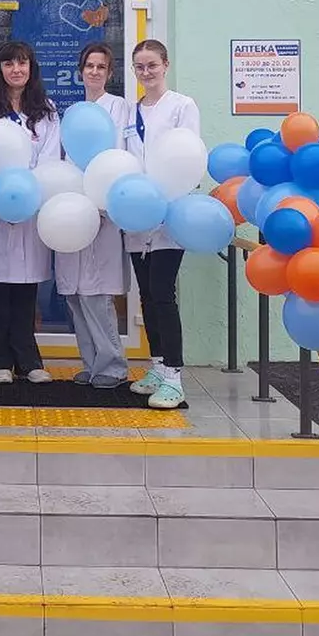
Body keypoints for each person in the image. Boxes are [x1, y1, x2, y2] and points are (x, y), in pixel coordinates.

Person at [0, 41, 60, 384]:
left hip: (31, 206)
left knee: (26, 287)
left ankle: (28, 360)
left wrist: (25, 196)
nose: (16, 70)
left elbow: (49, 160)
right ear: (0, 69)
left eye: (22, 63)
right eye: (8, 64)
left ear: (31, 68)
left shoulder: (47, 110)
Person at [124, 38, 201, 410]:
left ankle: (174, 376)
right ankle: (156, 367)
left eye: (152, 65)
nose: (146, 72)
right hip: (137, 216)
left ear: (165, 65)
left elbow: (187, 157)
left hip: (170, 215)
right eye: (139, 66)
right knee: (146, 295)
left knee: (162, 293)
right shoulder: (131, 112)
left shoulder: (182, 106)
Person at [55, 43, 130, 388]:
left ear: (109, 73)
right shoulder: (73, 112)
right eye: (89, 66)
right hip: (72, 211)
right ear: (81, 71)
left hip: (103, 211)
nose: (95, 71)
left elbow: (119, 157)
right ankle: (90, 363)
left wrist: (102, 202)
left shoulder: (119, 108)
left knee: (97, 293)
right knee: (74, 293)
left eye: (101, 66)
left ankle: (113, 365)